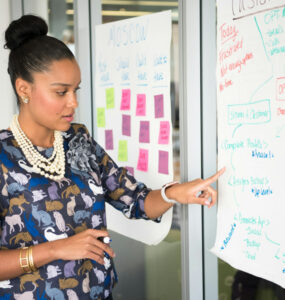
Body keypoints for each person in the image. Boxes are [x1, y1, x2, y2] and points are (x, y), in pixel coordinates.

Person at [0, 14, 225, 300]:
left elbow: (137, 201)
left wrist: (175, 193)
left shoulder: (78, 141)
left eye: (75, 90)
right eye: (61, 92)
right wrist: (55, 249)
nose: (73, 102)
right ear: (24, 89)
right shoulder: (3, 156)